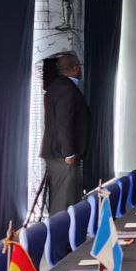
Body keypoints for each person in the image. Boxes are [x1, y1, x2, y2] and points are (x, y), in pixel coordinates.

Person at [40, 52, 89, 214]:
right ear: (75, 68)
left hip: (59, 154)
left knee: (68, 201)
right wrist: (69, 153)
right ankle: (60, 239)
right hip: (63, 156)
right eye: (79, 66)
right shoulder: (66, 89)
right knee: (64, 203)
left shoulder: (57, 86)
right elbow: (63, 122)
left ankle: (67, 238)